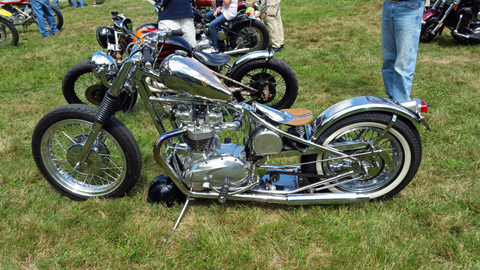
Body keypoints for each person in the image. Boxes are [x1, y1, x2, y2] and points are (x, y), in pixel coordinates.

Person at [381, 0, 424, 102]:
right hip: (389, 5)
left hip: (409, 7)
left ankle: (401, 103)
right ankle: (392, 100)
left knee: (403, 62)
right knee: (388, 59)